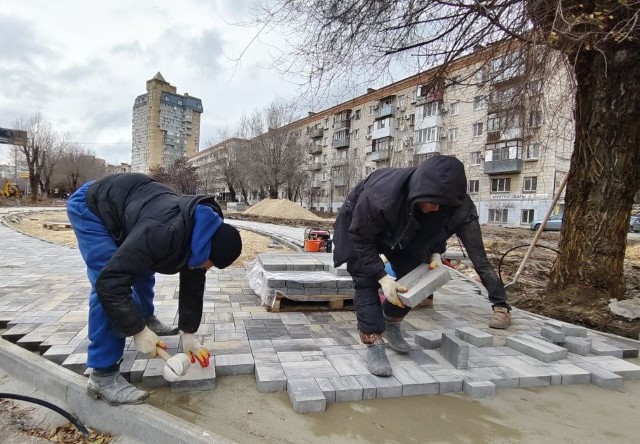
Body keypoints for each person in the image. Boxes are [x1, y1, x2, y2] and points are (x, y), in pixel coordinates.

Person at [67, 173, 242, 405]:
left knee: (142, 262)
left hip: (130, 205)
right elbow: (110, 283)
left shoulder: (202, 231)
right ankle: (103, 375)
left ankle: (146, 317)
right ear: (208, 251)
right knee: (108, 279)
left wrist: (188, 334)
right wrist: (136, 330)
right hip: (92, 206)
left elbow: (193, 278)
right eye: (210, 264)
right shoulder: (164, 232)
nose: (206, 269)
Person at [332, 155, 510, 377]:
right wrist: (382, 277)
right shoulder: (381, 197)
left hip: (402, 229)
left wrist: (435, 251)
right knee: (365, 280)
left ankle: (391, 322)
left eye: (440, 205)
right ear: (419, 192)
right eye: (432, 203)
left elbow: (436, 227)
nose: (435, 208)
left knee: (416, 278)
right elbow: (360, 237)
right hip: (360, 227)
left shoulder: (435, 201)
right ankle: (374, 342)